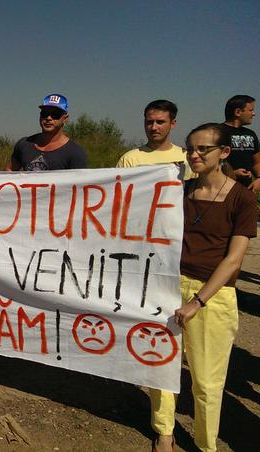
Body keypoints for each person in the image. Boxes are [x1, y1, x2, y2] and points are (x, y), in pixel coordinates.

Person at [149, 123, 256, 452]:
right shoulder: (179, 191)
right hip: (168, 287)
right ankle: (164, 432)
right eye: (190, 148)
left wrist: (198, 301)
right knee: (160, 367)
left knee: (207, 382)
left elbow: (234, 259)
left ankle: (205, 444)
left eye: (202, 149)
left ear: (223, 153)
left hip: (213, 296)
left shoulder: (241, 199)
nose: (193, 154)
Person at [6, 94, 87, 171]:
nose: (48, 118)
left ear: (65, 119)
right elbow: (10, 170)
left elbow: (79, 183)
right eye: (45, 113)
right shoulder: (24, 144)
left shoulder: (75, 153)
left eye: (55, 114)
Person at [116, 99, 191, 179]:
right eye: (149, 122)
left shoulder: (188, 158)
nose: (153, 127)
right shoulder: (129, 160)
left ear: (172, 124)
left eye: (160, 122)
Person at [222, 95, 259, 191]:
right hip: (223, 189)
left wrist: (259, 179)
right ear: (238, 112)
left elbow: (257, 162)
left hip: (247, 191)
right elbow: (209, 163)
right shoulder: (217, 132)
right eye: (250, 110)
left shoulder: (251, 134)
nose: (254, 114)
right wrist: (232, 173)